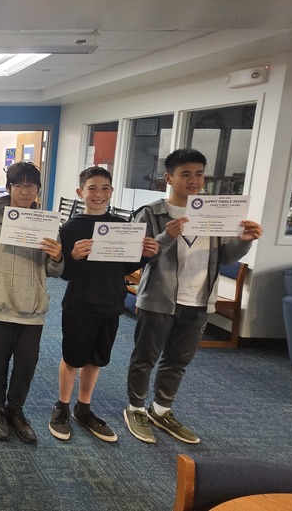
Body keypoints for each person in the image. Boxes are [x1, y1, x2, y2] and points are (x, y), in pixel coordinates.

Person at [123, 148, 262, 445]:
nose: (194, 180)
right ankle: (135, 408)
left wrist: (243, 242)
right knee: (145, 357)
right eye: (185, 174)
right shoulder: (151, 213)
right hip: (159, 298)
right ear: (169, 178)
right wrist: (167, 237)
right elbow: (138, 257)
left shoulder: (214, 212)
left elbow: (225, 256)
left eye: (199, 174)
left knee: (178, 360)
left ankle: (161, 410)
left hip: (200, 299)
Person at [50, 167, 158, 443]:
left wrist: (145, 255)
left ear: (111, 191)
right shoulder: (70, 228)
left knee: (96, 359)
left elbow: (125, 266)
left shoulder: (121, 226)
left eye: (105, 188)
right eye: (92, 188)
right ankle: (62, 407)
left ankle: (83, 408)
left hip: (111, 302)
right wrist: (73, 256)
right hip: (79, 303)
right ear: (80, 192)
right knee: (72, 358)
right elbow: (65, 273)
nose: (99, 194)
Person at [0, 161, 63, 444]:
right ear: (9, 188)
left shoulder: (46, 224)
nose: (25, 191)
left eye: (31, 185)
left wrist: (57, 256)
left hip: (32, 307)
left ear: (38, 189)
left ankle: (15, 410)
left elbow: (53, 271)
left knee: (26, 365)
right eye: (19, 185)